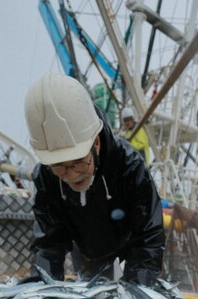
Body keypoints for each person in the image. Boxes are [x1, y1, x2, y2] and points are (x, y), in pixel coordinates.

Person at [24, 74, 164, 285]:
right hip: (87, 249)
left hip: (128, 240)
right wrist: (43, 290)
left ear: (96, 144)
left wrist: (138, 290)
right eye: (60, 166)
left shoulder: (130, 165)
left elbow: (147, 238)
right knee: (95, 286)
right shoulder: (46, 175)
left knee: (138, 285)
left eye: (78, 162)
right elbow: (49, 243)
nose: (71, 175)